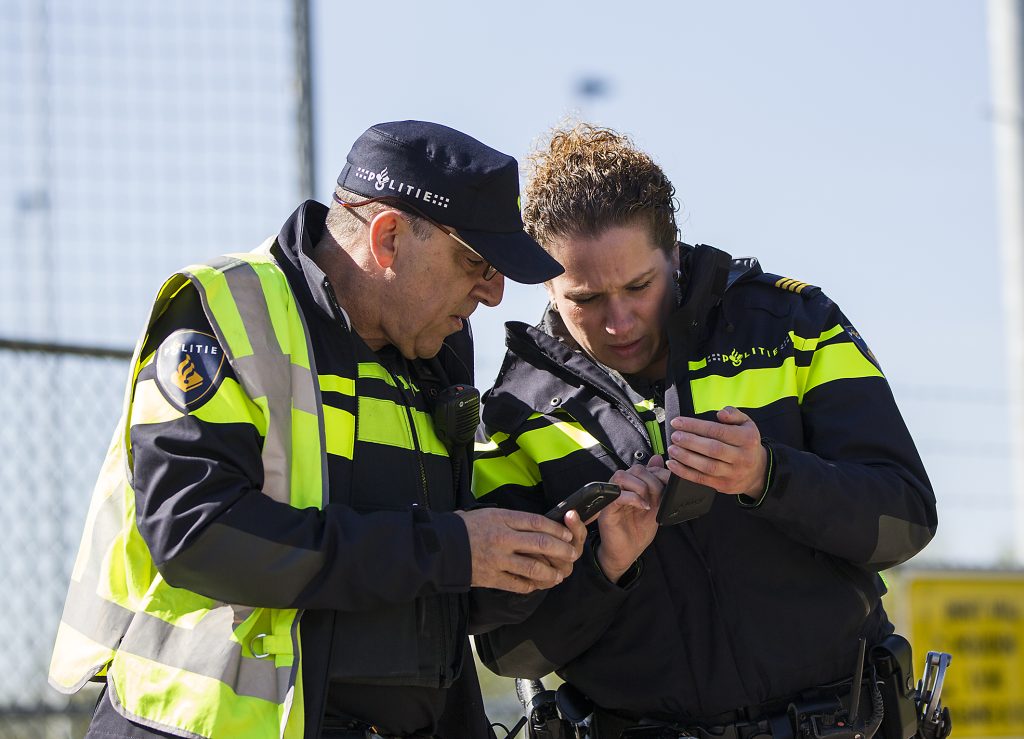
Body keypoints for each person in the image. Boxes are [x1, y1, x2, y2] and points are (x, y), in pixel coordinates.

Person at [49, 120, 591, 739]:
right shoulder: (228, 309)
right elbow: (196, 533)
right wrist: (451, 549)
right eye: (476, 262)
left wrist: (514, 565)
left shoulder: (435, 346)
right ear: (388, 238)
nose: (493, 295)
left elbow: (420, 577)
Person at [472, 123, 938, 738]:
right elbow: (510, 652)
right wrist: (607, 566)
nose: (619, 322)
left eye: (639, 286)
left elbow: (906, 521)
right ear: (546, 284)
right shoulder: (512, 415)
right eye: (586, 299)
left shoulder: (795, 326)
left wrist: (769, 477)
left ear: (673, 252)